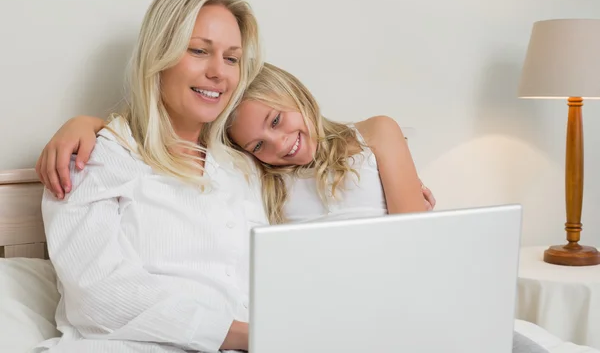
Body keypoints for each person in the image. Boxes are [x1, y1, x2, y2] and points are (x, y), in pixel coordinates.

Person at [36, 0, 266, 353]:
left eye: (232, 58)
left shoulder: (242, 167)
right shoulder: (94, 154)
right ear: (159, 55)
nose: (218, 72)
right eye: (199, 51)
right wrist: (246, 335)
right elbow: (95, 295)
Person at [37, 63, 437, 225]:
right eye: (259, 145)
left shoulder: (376, 133)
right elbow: (159, 136)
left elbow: (419, 235)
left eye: (277, 120)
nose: (281, 144)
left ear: (296, 94)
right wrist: (88, 122)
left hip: (394, 274)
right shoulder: (256, 177)